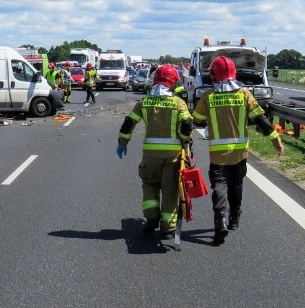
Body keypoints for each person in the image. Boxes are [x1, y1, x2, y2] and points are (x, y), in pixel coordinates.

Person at [191, 56, 285, 245]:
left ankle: (220, 220)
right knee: (236, 185)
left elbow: (196, 120)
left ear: (214, 75)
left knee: (219, 187)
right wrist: (276, 139)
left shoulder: (208, 97)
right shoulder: (244, 95)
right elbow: (261, 120)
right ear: (233, 73)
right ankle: (234, 218)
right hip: (240, 153)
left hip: (218, 155)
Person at [117, 64, 193, 242]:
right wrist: (184, 139)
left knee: (150, 185)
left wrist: (122, 142)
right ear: (173, 83)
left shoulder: (144, 102)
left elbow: (129, 122)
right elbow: (188, 125)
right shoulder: (178, 102)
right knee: (170, 190)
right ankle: (168, 229)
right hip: (173, 156)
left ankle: (151, 219)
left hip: (150, 155)